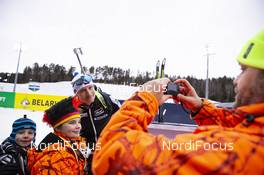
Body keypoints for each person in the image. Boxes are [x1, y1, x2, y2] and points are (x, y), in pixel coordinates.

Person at [92, 29, 264, 175]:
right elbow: (244, 126)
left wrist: (144, 97)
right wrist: (201, 109)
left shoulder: (235, 150)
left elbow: (109, 152)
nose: (236, 80)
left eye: (243, 70)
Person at [71, 73, 120, 173]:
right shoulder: (71, 108)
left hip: (109, 149)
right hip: (88, 153)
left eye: (90, 88)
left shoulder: (105, 99)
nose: (89, 93)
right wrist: (82, 147)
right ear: (76, 93)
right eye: (83, 91)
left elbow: (125, 117)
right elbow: (66, 134)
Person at [28, 97, 88, 175]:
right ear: (58, 127)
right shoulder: (57, 156)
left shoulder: (72, 141)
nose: (78, 126)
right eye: (72, 123)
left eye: (79, 122)